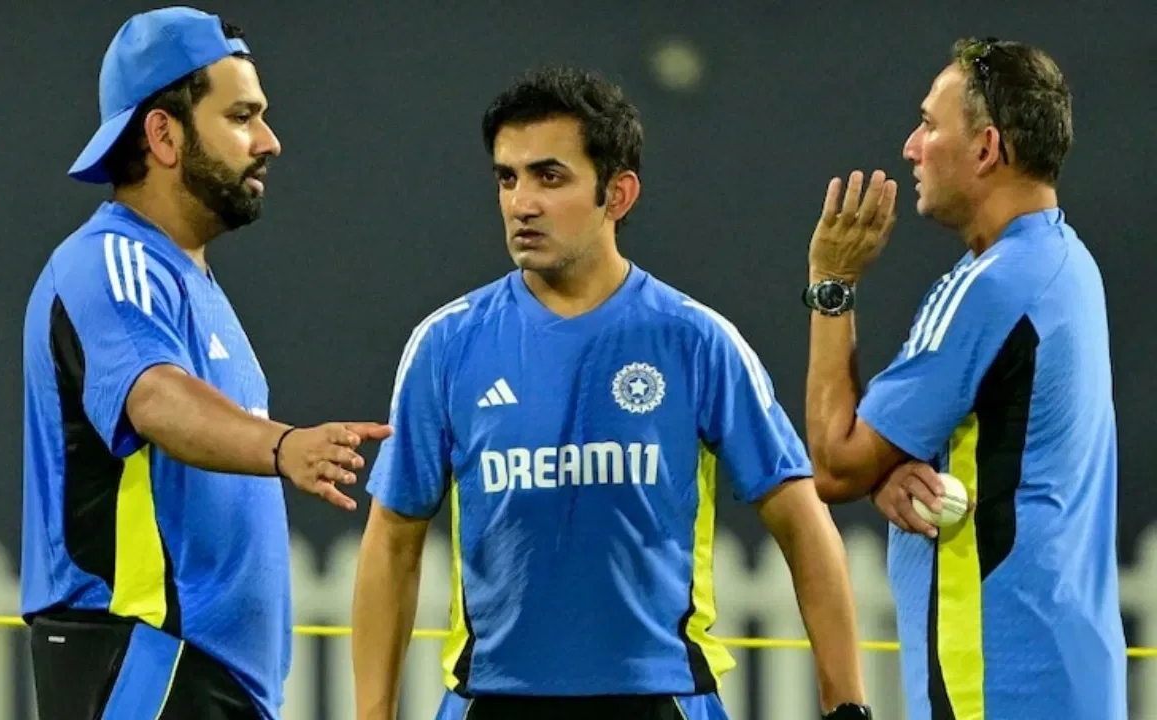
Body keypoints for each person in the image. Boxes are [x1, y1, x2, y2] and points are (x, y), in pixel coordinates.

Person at [351, 66, 872, 720]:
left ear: (618, 194)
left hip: (661, 702)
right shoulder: (446, 346)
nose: (522, 202)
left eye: (549, 176)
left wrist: (846, 704)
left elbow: (803, 525)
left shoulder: (695, 341)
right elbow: (393, 541)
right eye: (506, 178)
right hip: (492, 702)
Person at [20, 7, 391, 719]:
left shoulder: (184, 278)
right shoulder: (111, 261)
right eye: (243, 116)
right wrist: (282, 447)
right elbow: (155, 398)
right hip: (145, 662)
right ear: (163, 134)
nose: (270, 141)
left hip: (201, 678)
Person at [802, 37, 1126, 719]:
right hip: (1066, 678)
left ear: (985, 148)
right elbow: (1000, 445)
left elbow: (834, 463)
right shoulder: (1066, 263)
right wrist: (888, 472)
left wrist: (831, 284)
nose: (911, 147)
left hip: (994, 681)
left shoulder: (990, 287)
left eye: (929, 125)